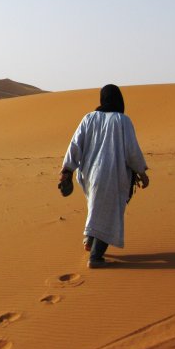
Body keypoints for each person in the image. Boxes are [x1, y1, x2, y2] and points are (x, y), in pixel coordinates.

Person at [59, 84, 149, 268]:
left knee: (97, 207)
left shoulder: (89, 118)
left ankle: (90, 239)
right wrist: (141, 172)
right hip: (112, 175)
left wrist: (67, 170)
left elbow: (75, 145)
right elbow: (132, 152)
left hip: (89, 175)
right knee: (109, 214)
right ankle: (96, 257)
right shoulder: (122, 121)